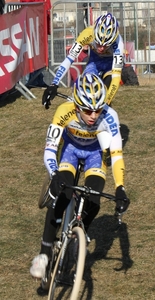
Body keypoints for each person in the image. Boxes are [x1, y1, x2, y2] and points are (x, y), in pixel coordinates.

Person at [30, 73, 130, 279]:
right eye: (87, 110)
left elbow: (117, 154)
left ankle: (78, 236)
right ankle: (44, 254)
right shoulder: (64, 111)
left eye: (98, 109)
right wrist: (55, 174)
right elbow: (50, 149)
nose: (93, 115)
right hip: (70, 150)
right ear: (76, 106)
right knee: (62, 196)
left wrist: (120, 187)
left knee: (94, 200)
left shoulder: (110, 116)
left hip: (95, 154)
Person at [42, 12, 124, 109]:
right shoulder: (87, 34)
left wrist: (106, 101)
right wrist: (54, 83)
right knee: (86, 87)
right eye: (98, 43)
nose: (101, 48)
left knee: (106, 88)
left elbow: (116, 77)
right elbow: (69, 59)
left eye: (106, 45)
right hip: (94, 62)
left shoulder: (118, 43)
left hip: (110, 64)